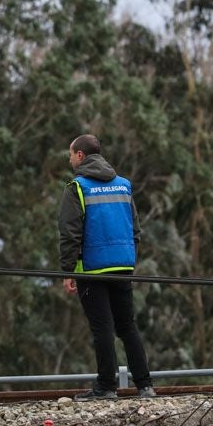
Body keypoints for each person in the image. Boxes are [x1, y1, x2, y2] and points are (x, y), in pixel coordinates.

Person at [57, 134, 156, 400]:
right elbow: (135, 229)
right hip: (123, 265)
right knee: (127, 326)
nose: (69, 159)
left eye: (70, 154)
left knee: (102, 329)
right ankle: (145, 386)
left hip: (92, 268)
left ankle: (106, 387)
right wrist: (128, 257)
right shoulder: (123, 185)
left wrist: (68, 271)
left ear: (80, 156)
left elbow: (69, 233)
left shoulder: (76, 187)